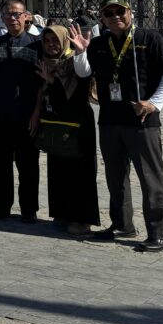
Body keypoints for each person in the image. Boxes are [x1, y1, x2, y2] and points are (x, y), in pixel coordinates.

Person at [72, 0, 163, 251]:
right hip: (110, 120)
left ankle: (159, 233)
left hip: (142, 120)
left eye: (120, 11)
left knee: (151, 179)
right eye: (109, 13)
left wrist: (154, 104)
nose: (116, 16)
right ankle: (122, 224)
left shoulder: (151, 39)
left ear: (129, 13)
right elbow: (84, 72)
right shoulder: (97, 43)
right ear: (103, 19)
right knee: (115, 177)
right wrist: (80, 52)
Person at [0, 0, 43, 222]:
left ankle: (29, 210)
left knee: (28, 167)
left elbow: (43, 83)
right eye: (9, 14)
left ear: (27, 17)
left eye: (17, 14)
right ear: (2, 18)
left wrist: (36, 113)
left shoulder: (37, 44)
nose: (13, 18)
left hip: (26, 116)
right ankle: (0, 207)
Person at [31, 24, 99, 235]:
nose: (52, 45)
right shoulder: (46, 63)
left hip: (77, 124)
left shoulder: (73, 62)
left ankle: (82, 219)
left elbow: (75, 93)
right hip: (55, 123)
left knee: (80, 172)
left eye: (56, 41)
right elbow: (43, 95)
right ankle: (62, 213)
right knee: (58, 168)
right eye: (48, 41)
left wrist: (53, 80)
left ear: (64, 41)